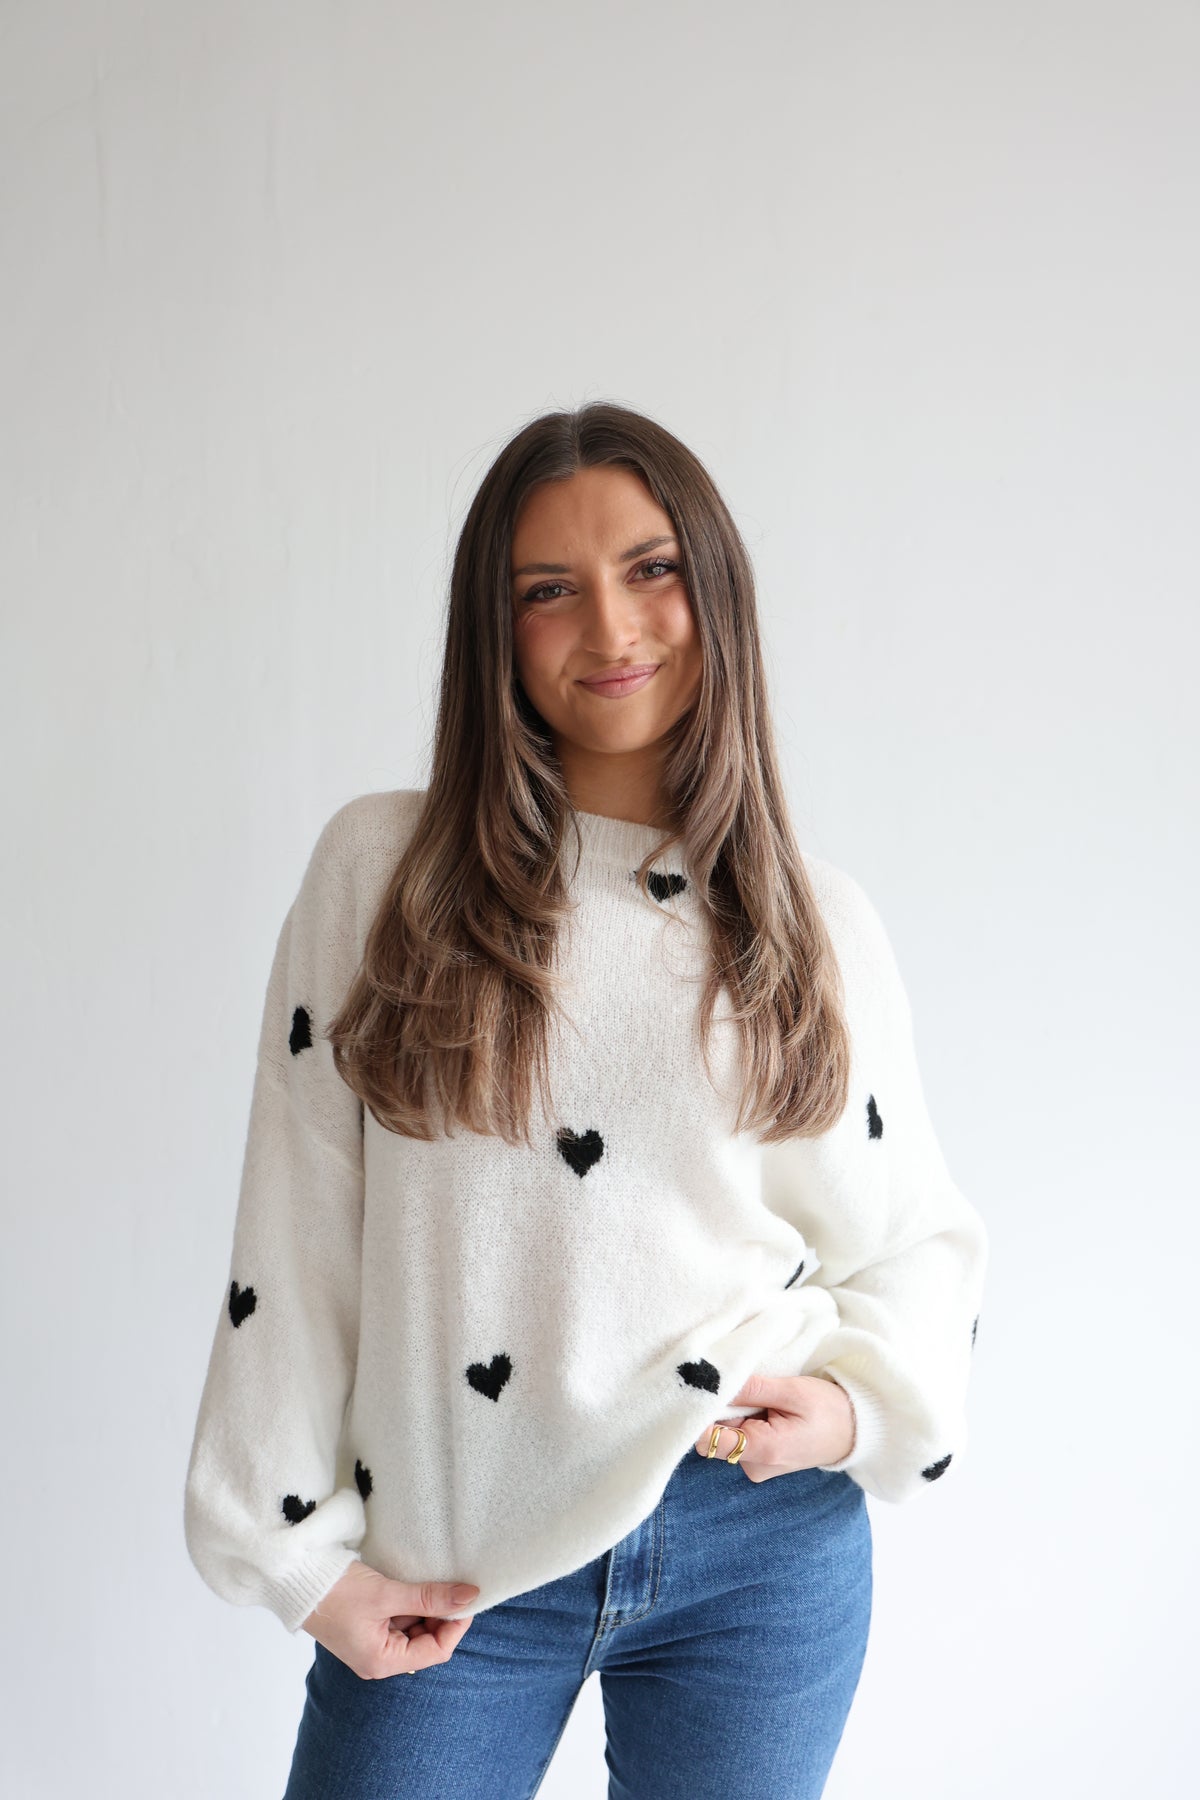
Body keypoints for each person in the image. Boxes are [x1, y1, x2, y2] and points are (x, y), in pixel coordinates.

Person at [183, 401, 989, 1799]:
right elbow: (298, 1232)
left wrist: (856, 1415)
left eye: (650, 569)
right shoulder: (385, 877)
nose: (610, 627)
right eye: (547, 590)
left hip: (756, 1546)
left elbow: (913, 1238)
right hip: (453, 1558)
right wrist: (293, 1558)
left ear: (715, 590)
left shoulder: (815, 923)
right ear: (493, 631)